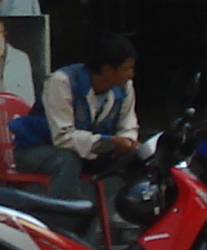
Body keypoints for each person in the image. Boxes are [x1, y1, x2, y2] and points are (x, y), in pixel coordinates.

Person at [11, 37, 141, 193]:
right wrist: (108, 142)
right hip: (38, 150)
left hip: (88, 151)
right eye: (127, 69)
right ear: (107, 70)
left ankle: (123, 212)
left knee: (137, 159)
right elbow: (63, 137)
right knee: (67, 159)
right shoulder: (61, 82)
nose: (131, 74)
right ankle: (65, 213)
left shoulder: (124, 87)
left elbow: (128, 124)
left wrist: (127, 143)